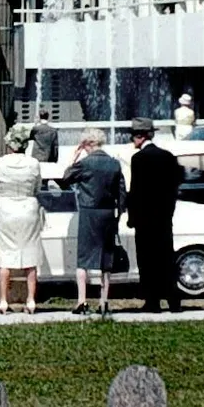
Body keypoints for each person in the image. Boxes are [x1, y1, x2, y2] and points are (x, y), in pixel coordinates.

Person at [61, 128, 126, 317]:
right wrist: (118, 215)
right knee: (106, 259)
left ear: (87, 144)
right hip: (107, 213)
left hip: (89, 212)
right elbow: (121, 192)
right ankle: (104, 301)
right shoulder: (114, 164)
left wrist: (74, 157)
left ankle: (82, 301)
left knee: (84, 257)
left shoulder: (85, 163)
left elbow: (65, 178)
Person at [127, 117, 185, 313]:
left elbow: (136, 191)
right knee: (166, 259)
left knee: (147, 261)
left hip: (145, 219)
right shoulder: (168, 156)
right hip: (164, 217)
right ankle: (174, 301)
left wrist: (131, 218)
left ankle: (152, 302)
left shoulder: (139, 159)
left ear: (140, 136)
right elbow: (177, 182)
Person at [0, 123, 45, 315]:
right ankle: (30, 300)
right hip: (28, 207)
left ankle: (4, 301)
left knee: (6, 255)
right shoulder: (33, 164)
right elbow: (38, 187)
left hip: (6, 208)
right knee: (30, 254)